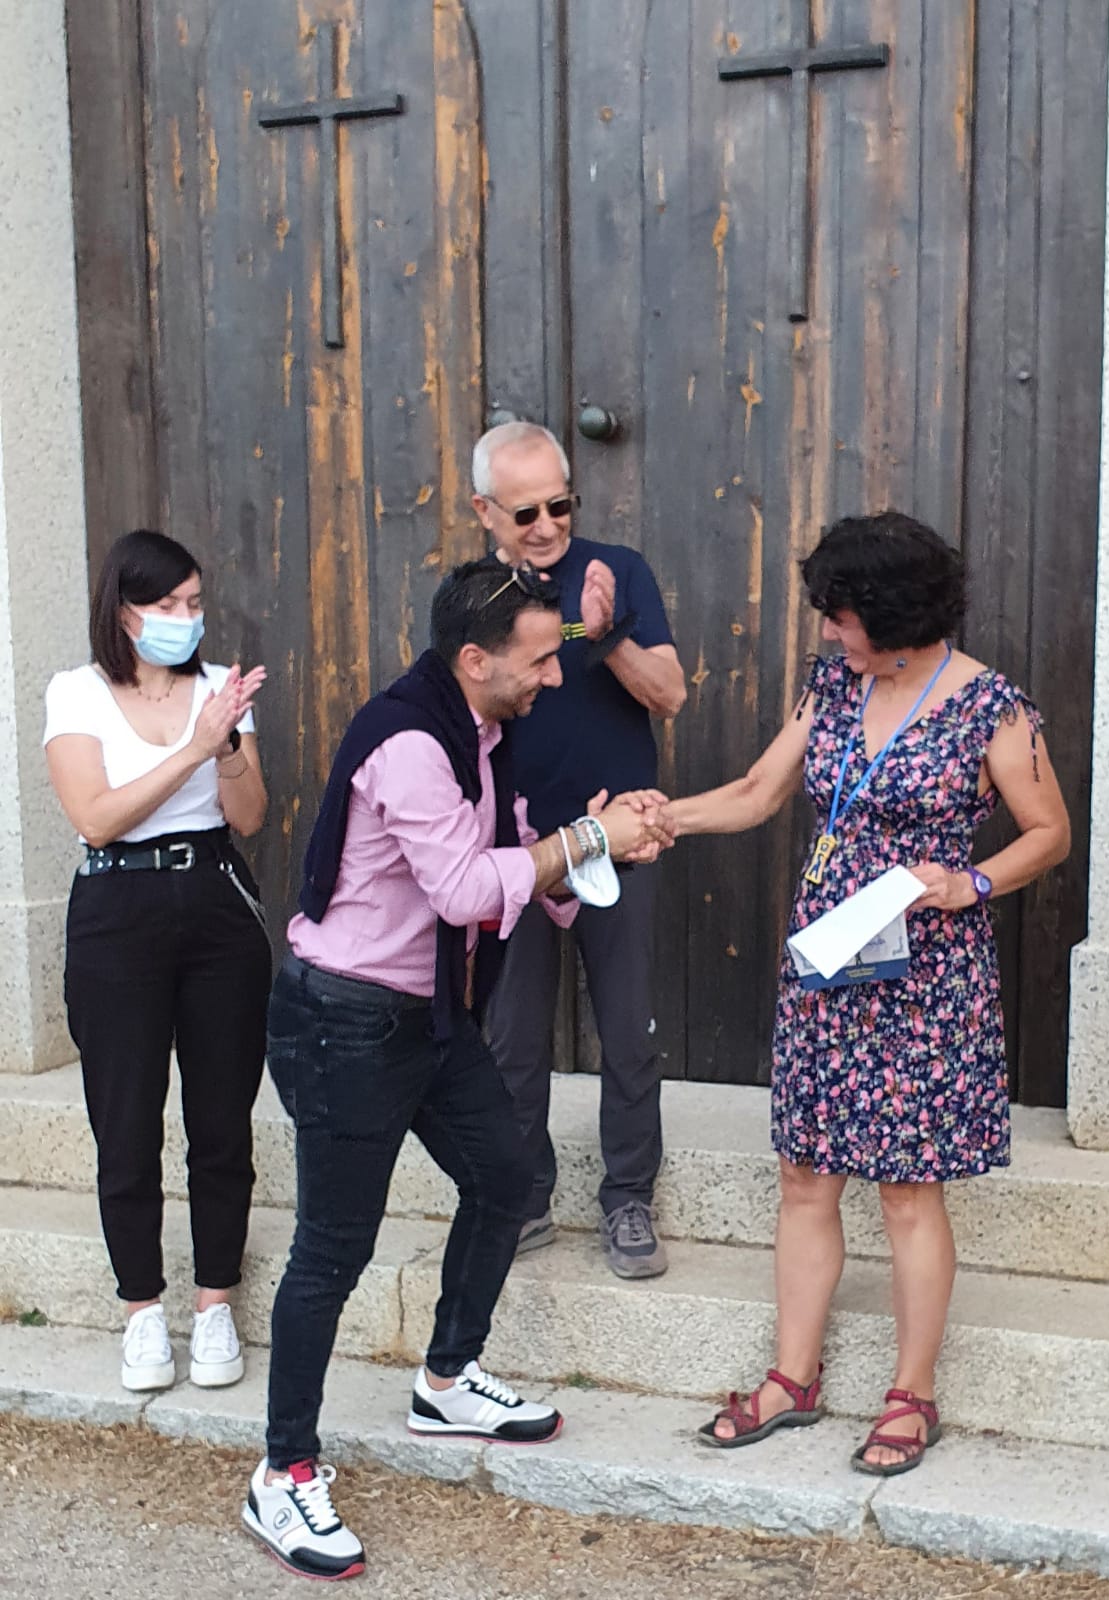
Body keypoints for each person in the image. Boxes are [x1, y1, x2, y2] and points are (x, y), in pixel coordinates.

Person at [242, 559, 667, 1582]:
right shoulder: (408, 744)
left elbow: (513, 868)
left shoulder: (481, 735)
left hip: (427, 1014)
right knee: (330, 1252)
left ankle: (444, 1380)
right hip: (345, 1020)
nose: (554, 677)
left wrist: (590, 854)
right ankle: (282, 1471)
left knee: (505, 1176)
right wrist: (587, 835)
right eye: (539, 660)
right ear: (475, 659)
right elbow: (466, 888)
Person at [661, 511, 1069, 1473]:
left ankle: (910, 1395)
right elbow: (757, 791)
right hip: (827, 962)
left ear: (890, 613)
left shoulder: (990, 708)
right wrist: (658, 820)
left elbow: (1047, 831)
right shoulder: (832, 686)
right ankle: (791, 1378)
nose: (828, 631)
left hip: (926, 973)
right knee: (804, 1173)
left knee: (906, 1191)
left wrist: (968, 883)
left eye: (840, 615)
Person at [43, 529, 270, 1394]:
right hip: (117, 909)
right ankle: (142, 1308)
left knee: (222, 1119)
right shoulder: (77, 693)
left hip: (213, 898)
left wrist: (229, 741)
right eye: (168, 604)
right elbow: (96, 817)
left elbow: (249, 815)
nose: (186, 617)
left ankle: (215, 1303)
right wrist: (193, 750)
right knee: (126, 1119)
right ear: (124, 609)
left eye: (195, 603)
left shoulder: (217, 694)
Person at [475, 421, 687, 1280]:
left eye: (559, 506)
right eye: (524, 511)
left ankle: (628, 1198)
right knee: (512, 1039)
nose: (546, 526)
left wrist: (603, 633)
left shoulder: (617, 571)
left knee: (629, 1033)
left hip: (617, 841)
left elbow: (669, 695)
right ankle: (523, 1198)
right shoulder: (472, 597)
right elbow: (463, 711)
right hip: (517, 850)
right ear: (484, 512)